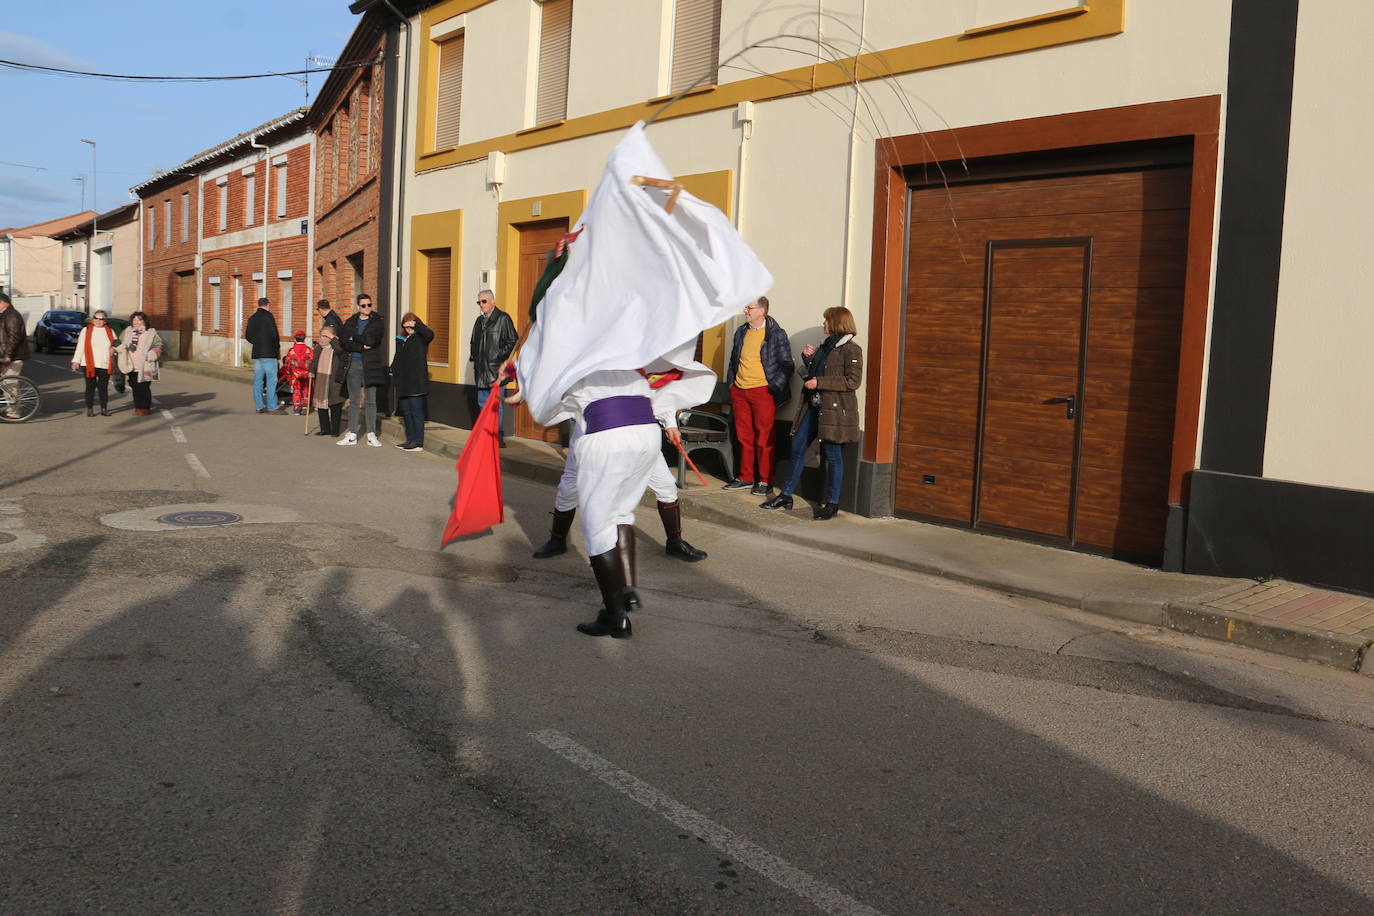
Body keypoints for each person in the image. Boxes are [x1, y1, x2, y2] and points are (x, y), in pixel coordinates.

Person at [762, 306, 864, 520]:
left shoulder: (851, 349)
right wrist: (809, 359)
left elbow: (852, 381)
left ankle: (832, 504)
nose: (824, 324)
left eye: (827, 321)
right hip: (813, 407)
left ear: (837, 323)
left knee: (833, 456)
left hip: (834, 413)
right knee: (798, 448)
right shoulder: (827, 346)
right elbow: (817, 373)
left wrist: (820, 382)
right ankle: (786, 495)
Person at [721, 296, 794, 496]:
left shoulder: (776, 334)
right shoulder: (740, 332)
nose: (745, 310)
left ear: (762, 311)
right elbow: (733, 361)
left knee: (764, 438)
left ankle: (764, 480)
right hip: (740, 391)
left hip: (763, 391)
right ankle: (745, 477)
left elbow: (787, 364)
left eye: (749, 307)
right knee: (744, 437)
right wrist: (732, 384)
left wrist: (773, 387)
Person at [469, 289, 517, 446]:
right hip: (481, 371)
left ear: (492, 301)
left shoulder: (502, 318)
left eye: (484, 301)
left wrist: (497, 355)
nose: (481, 305)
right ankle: (486, 435)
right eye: (479, 302)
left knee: (495, 406)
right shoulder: (478, 321)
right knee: (482, 404)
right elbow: (473, 342)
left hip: (496, 371)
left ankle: (497, 436)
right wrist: (475, 357)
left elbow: (513, 341)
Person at [338, 293, 386, 446]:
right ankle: (352, 434)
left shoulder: (378, 321)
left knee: (371, 400)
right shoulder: (350, 321)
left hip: (370, 365)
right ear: (358, 306)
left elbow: (372, 340)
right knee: (354, 400)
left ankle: (371, 434)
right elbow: (344, 342)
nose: (367, 308)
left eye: (369, 305)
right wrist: (360, 345)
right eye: (364, 305)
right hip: (353, 365)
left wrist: (355, 337)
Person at [390, 312, 433, 451]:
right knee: (406, 412)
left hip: (416, 382)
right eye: (405, 323)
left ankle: (418, 442)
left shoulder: (421, 337)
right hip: (403, 383)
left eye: (411, 323)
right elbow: (398, 358)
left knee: (416, 412)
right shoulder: (403, 340)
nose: (408, 325)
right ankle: (410, 440)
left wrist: (415, 324)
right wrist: (392, 369)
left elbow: (430, 334)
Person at [115, 311, 164, 416]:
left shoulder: (151, 332)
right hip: (130, 365)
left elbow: (158, 345)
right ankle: (138, 407)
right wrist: (116, 348)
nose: (136, 322)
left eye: (139, 320)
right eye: (134, 319)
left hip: (146, 365)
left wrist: (153, 353)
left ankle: (145, 408)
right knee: (134, 386)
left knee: (143, 387)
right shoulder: (127, 331)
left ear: (144, 321)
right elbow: (119, 342)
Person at [71, 310, 117, 416]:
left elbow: (116, 344)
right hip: (88, 363)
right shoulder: (86, 330)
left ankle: (104, 409)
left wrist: (114, 349)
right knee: (90, 387)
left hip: (105, 363)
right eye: (96, 318)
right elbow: (80, 346)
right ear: (93, 319)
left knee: (103, 387)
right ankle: (90, 409)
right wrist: (76, 361)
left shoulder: (110, 331)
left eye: (101, 319)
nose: (98, 321)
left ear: (105, 321)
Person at [244, 297, 284, 414]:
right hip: (269, 353)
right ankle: (272, 406)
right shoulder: (268, 316)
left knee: (258, 380)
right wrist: (277, 349)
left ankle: (259, 406)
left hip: (257, 353)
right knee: (272, 379)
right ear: (267, 305)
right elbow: (274, 334)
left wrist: (256, 342)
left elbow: (248, 335)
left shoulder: (252, 318)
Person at [309, 325, 347, 437]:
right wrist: (311, 370)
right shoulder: (319, 348)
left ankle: (335, 430)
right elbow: (314, 362)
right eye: (321, 336)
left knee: (335, 405)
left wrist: (333, 339)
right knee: (321, 405)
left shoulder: (336, 347)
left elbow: (341, 351)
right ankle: (325, 428)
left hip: (333, 380)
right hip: (321, 378)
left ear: (332, 337)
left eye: (325, 336)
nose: (322, 338)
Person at [0, 291, 31, 421]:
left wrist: (8, 355)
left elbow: (14, 337)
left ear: (3, 303)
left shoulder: (11, 315)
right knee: (6, 383)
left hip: (13, 356)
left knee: (10, 383)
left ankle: (13, 413)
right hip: (4, 354)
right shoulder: (4, 315)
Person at [281, 331, 313, 415]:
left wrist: (288, 373)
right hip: (306, 373)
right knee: (306, 388)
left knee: (297, 390)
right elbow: (312, 361)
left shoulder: (291, 350)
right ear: (304, 338)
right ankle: (305, 405)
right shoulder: (308, 350)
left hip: (295, 374)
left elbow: (287, 363)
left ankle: (297, 408)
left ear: (295, 339)